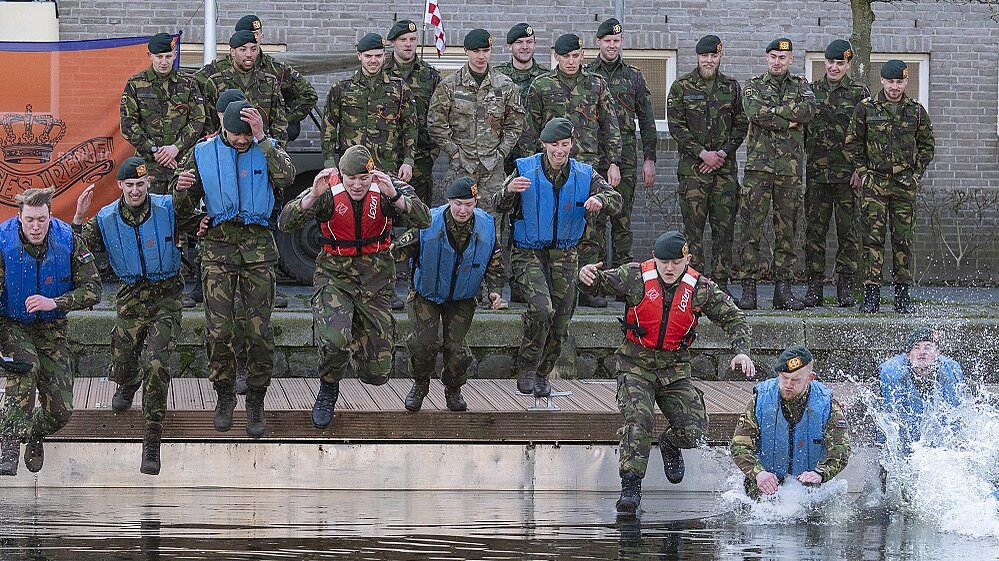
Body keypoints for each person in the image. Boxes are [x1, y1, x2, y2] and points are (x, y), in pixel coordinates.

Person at [578, 230, 754, 514]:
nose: (669, 268)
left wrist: (741, 349)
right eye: (663, 262)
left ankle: (671, 443)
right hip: (635, 365)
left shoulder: (700, 288)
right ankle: (631, 486)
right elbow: (597, 284)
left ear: (688, 259)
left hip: (674, 369)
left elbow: (734, 317)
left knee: (695, 430)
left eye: (676, 262)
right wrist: (585, 277)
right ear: (654, 260)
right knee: (639, 418)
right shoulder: (635, 276)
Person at [277, 145, 430, 429]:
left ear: (372, 175)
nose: (358, 185)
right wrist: (312, 196)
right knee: (335, 342)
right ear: (342, 176)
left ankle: (360, 335)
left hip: (376, 280)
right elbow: (285, 223)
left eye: (364, 178)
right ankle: (329, 386)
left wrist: (395, 197)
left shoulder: (386, 187)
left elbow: (425, 219)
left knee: (378, 374)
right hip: (335, 275)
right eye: (352, 180)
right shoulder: (327, 188)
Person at [172, 101, 295, 438]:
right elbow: (181, 204)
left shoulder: (264, 147)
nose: (242, 141)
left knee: (258, 332)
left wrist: (263, 138)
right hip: (218, 248)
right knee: (219, 331)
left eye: (246, 135)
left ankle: (256, 399)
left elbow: (287, 176)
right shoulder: (202, 153)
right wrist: (183, 195)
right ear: (223, 129)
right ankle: (224, 395)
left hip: (258, 249)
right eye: (237, 135)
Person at [72, 158, 199, 475]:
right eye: (129, 185)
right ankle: (126, 383)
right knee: (124, 355)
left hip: (166, 294)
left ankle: (152, 438)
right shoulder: (105, 217)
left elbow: (192, 220)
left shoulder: (166, 207)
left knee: (157, 363)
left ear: (148, 185)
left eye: (140, 185)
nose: (135, 190)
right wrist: (76, 217)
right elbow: (76, 246)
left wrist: (184, 194)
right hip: (130, 294)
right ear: (120, 187)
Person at [494, 117, 622, 398]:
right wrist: (509, 191)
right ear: (544, 145)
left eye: (565, 145)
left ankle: (543, 372)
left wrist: (600, 201)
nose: (559, 151)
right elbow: (497, 203)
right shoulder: (524, 168)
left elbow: (616, 199)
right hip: (528, 251)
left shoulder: (584, 174)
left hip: (565, 253)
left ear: (572, 145)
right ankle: (527, 364)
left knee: (562, 319)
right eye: (554, 145)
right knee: (541, 308)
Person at [0, 188, 101, 477]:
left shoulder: (68, 240)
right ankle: (8, 442)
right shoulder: (2, 241)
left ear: (50, 216)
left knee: (62, 410)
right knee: (25, 367)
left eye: (41, 220)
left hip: (52, 326)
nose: (35, 227)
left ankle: (35, 433)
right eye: (29, 220)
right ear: (19, 218)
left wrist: (55, 302)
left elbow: (93, 289)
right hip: (13, 323)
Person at [521, 33, 622, 308]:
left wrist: (613, 162)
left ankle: (588, 286)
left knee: (591, 227)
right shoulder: (541, 85)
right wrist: (531, 169)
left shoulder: (596, 84)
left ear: (582, 56)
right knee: (549, 222)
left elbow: (610, 126)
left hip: (587, 166)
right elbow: (529, 131)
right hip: (549, 168)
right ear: (556, 56)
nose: (570, 61)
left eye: (575, 56)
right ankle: (546, 284)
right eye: (565, 57)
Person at [428, 28, 524, 308]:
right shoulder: (450, 86)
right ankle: (462, 288)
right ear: (466, 53)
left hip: (493, 169)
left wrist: (502, 152)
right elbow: (435, 122)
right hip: (461, 168)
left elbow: (515, 123)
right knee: (457, 225)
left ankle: (493, 290)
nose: (481, 57)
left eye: (486, 51)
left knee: (492, 228)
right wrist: (453, 151)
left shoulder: (505, 86)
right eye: (476, 51)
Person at [393, 176, 506, 412]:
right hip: (427, 293)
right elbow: (397, 253)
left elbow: (494, 264)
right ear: (448, 202)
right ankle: (420, 383)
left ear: (476, 202)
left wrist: (495, 291)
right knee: (424, 344)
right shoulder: (428, 222)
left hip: (463, 297)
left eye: (468, 204)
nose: (462, 210)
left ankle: (453, 388)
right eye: (457, 204)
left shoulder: (486, 226)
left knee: (457, 350)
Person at [844, 59, 934, 314]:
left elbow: (927, 145)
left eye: (900, 82)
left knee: (902, 239)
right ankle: (872, 295)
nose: (895, 87)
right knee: (872, 240)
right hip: (875, 184)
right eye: (890, 81)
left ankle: (902, 295)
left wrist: (916, 175)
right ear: (881, 80)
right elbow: (852, 143)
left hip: (904, 185)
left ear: (906, 81)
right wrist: (863, 173)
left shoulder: (915, 110)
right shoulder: (866, 108)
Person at [737, 38, 816, 311]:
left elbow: (808, 111)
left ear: (790, 60)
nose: (777, 62)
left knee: (787, 230)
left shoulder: (802, 86)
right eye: (772, 56)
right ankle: (749, 290)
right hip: (758, 170)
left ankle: (784, 291)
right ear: (766, 58)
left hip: (790, 171)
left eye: (782, 58)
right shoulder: (753, 85)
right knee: (751, 230)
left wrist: (774, 113)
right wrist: (789, 119)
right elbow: (754, 112)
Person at [666, 35, 748, 295]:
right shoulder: (681, 87)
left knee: (724, 231)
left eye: (714, 56)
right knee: (694, 233)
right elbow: (676, 127)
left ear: (720, 56)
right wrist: (702, 154)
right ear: (698, 57)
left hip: (724, 172)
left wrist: (721, 153)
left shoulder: (732, 88)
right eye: (705, 56)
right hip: (693, 174)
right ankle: (695, 285)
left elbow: (741, 125)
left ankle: (721, 286)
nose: (709, 60)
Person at [730, 345, 850, 499]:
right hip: (765, 485)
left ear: (810, 378)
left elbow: (841, 450)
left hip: (811, 487)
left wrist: (820, 473)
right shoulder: (760, 400)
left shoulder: (827, 405)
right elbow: (739, 445)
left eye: (795, 380)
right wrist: (758, 473)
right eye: (784, 378)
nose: (788, 384)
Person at [585, 18, 658, 273]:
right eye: (607, 41)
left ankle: (623, 277)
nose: (612, 46)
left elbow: (647, 120)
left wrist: (650, 158)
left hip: (626, 155)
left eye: (616, 41)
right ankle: (599, 275)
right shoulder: (587, 75)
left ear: (622, 42)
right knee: (595, 217)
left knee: (622, 216)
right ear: (598, 43)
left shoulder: (633, 77)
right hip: (595, 154)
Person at [802, 40, 870, 308]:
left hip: (847, 176)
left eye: (840, 63)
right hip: (817, 174)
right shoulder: (810, 92)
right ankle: (814, 287)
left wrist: (860, 168)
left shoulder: (858, 93)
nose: (833, 67)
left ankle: (845, 286)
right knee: (814, 233)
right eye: (830, 62)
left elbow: (867, 133)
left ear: (848, 65)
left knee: (848, 232)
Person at [120, 32, 207, 195]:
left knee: (182, 215)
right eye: (159, 57)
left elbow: (198, 119)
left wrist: (176, 147)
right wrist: (155, 150)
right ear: (150, 56)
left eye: (168, 56)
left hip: (181, 165)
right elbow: (128, 125)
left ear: (175, 55)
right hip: (149, 168)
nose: (164, 62)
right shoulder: (136, 84)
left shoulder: (189, 83)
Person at [323, 32, 416, 183]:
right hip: (352, 170)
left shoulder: (399, 88)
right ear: (359, 56)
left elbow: (410, 126)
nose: (373, 61)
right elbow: (329, 126)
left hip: (386, 167)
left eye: (378, 56)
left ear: (384, 56)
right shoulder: (342, 88)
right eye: (368, 56)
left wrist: (408, 161)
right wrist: (329, 163)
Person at [878, 327, 967, 451]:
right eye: (916, 347)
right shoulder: (893, 374)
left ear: (937, 354)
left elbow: (956, 414)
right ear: (908, 355)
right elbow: (890, 420)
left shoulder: (950, 373)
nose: (922, 352)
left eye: (928, 347)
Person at [384, 19, 442, 205]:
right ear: (393, 42)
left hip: (420, 158)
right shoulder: (380, 72)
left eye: (412, 39)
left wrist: (433, 153)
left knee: (418, 214)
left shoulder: (430, 75)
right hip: (386, 156)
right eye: (403, 39)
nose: (408, 44)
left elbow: (440, 116)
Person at [234, 14, 318, 141]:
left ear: (262, 37)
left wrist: (285, 119)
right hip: (234, 138)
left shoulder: (277, 69)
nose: (253, 38)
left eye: (256, 34)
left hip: (268, 139)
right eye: (248, 34)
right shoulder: (222, 68)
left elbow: (308, 95)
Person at [195, 30, 288, 144]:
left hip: (260, 147)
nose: (249, 54)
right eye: (243, 50)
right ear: (233, 52)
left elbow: (279, 124)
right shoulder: (216, 82)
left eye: (253, 49)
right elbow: (209, 124)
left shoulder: (269, 82)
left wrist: (275, 152)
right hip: (226, 148)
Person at [495, 22, 549, 174]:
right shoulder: (496, 76)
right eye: (519, 42)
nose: (525, 46)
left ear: (535, 45)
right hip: (503, 153)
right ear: (509, 46)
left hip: (538, 153)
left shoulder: (547, 77)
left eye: (529, 42)